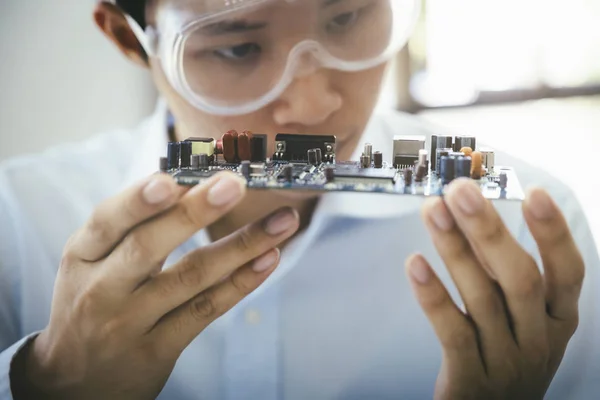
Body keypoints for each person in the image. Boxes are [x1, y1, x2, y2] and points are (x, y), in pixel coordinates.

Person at [1, 0, 599, 398]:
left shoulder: (524, 235)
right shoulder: (17, 221)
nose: (313, 108)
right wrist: (47, 385)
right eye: (237, 48)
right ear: (129, 40)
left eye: (346, 16)